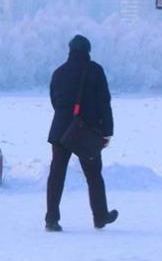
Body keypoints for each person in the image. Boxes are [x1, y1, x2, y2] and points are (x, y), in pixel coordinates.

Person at [45, 34, 117, 232]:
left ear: (70, 51)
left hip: (60, 131)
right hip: (86, 132)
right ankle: (100, 216)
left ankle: (51, 219)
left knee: (57, 174)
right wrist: (107, 131)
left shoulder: (59, 72)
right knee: (94, 175)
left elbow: (54, 100)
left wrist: (65, 118)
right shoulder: (95, 71)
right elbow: (105, 102)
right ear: (88, 51)